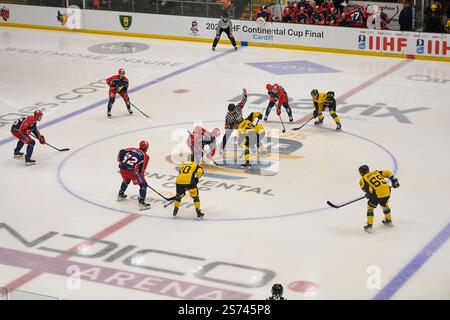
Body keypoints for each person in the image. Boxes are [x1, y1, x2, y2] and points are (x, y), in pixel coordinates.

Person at [359, 165, 399, 233]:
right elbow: (387, 172)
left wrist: (368, 194)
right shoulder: (376, 172)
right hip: (387, 190)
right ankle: (388, 220)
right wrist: (392, 179)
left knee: (370, 207)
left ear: (361, 173)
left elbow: (369, 190)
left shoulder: (363, 179)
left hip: (377, 193)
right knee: (384, 205)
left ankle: (369, 225)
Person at [117, 140, 151, 210]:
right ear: (146, 148)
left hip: (122, 168)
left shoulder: (132, 149)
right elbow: (142, 170)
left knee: (126, 180)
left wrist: (120, 161)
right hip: (131, 171)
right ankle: (141, 202)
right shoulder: (145, 156)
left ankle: (120, 194)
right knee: (143, 185)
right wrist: (142, 180)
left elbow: (121, 151)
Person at [221, 88, 247, 153]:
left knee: (246, 134)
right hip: (233, 124)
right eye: (230, 111)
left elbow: (243, 101)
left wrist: (245, 94)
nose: (231, 113)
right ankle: (222, 148)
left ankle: (248, 147)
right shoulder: (228, 116)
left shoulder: (238, 107)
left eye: (232, 111)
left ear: (235, 108)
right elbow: (226, 127)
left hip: (241, 122)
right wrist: (229, 127)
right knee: (227, 135)